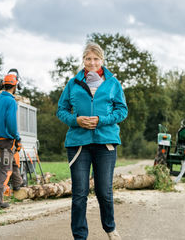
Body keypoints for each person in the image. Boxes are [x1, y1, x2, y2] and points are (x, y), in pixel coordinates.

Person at [57, 42, 128, 240]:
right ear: (83, 60)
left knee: (104, 191)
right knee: (79, 194)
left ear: (102, 60)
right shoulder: (73, 83)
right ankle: (80, 237)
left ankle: (110, 228)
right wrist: (76, 120)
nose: (92, 62)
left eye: (96, 59)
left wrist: (101, 120)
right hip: (78, 144)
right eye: (88, 59)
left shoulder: (113, 83)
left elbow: (122, 111)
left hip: (105, 142)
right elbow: (61, 110)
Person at [0, 72, 23, 209]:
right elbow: (11, 123)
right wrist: (17, 138)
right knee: (5, 169)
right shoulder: (11, 101)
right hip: (6, 139)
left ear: (3, 84)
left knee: (13, 161)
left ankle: (18, 184)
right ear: (15, 86)